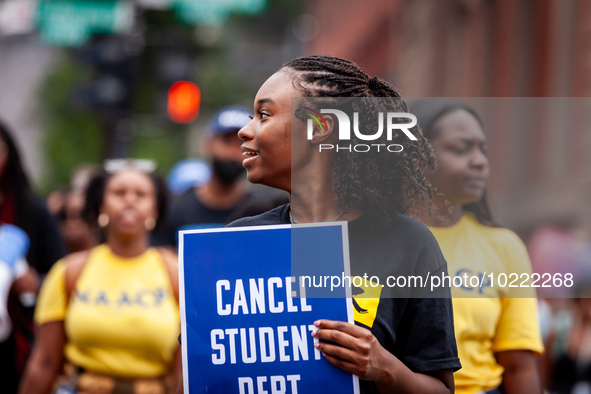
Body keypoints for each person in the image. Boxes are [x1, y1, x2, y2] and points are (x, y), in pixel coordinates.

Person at [179, 55, 461, 394]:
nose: (244, 130)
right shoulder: (239, 241)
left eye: (263, 115)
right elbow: (198, 374)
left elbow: (442, 389)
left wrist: (384, 369)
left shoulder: (410, 245)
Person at [411, 99, 544, 394]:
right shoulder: (376, 240)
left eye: (483, 149)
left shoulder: (505, 247)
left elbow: (519, 367)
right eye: (461, 149)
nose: (480, 161)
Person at [19, 160, 182, 394]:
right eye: (119, 192)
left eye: (141, 194)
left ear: (155, 209)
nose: (130, 200)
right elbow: (44, 362)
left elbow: (184, 371)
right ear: (101, 206)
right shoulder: (68, 271)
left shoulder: (176, 272)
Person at [0, 120, 65, 393]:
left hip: (16, 338)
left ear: (9, 155)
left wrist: (36, 282)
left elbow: (59, 272)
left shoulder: (32, 210)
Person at [152, 106, 253, 247]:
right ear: (208, 144)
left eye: (243, 144)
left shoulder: (259, 212)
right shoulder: (175, 210)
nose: (233, 152)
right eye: (226, 142)